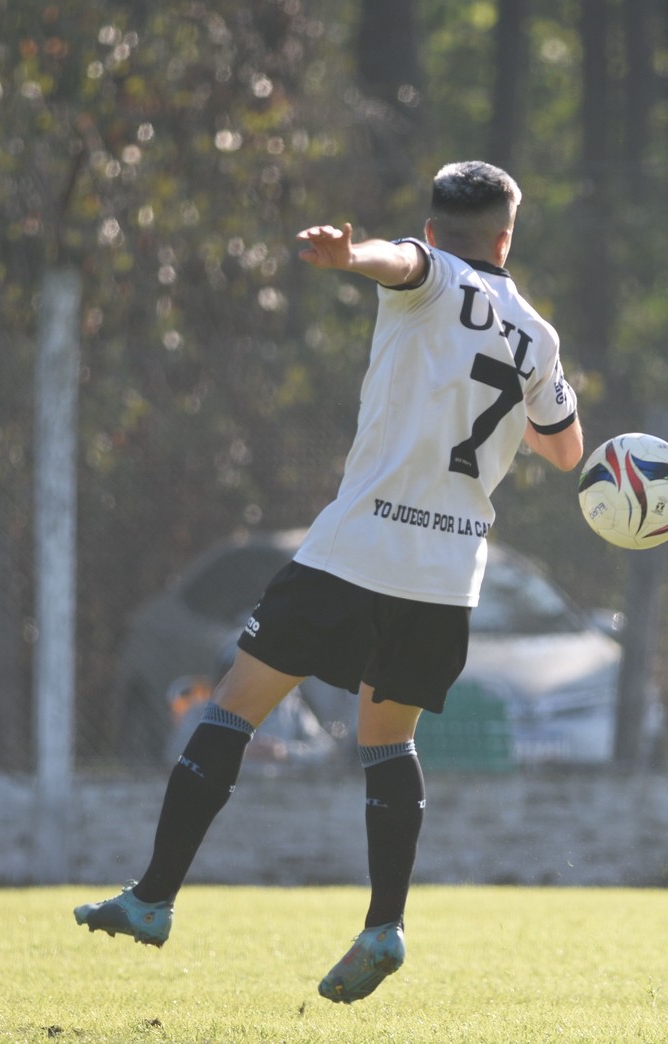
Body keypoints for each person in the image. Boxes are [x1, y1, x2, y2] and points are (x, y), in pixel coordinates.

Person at [75, 161, 584, 1005]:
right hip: (448, 575)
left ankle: (154, 898)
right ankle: (384, 925)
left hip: (355, 555)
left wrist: (354, 258)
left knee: (232, 706)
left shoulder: (428, 273)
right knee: (386, 743)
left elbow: (403, 265)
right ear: (508, 234)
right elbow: (564, 450)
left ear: (433, 226)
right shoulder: (537, 333)